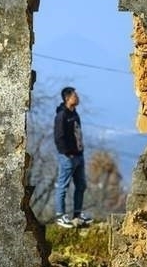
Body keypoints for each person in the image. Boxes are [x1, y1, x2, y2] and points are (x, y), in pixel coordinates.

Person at [53, 87, 93, 228]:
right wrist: (67, 153)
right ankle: (60, 216)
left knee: (81, 185)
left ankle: (77, 213)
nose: (77, 97)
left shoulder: (74, 114)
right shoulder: (62, 115)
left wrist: (79, 152)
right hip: (67, 157)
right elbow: (59, 137)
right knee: (62, 186)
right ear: (67, 98)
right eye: (75, 95)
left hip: (78, 156)